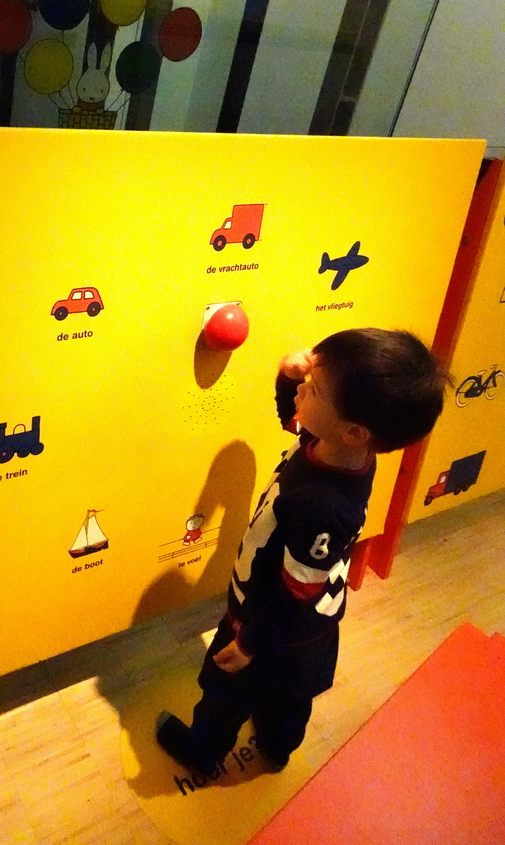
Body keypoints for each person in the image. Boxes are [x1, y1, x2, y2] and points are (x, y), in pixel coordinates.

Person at [156, 328, 448, 773]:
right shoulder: (340, 450)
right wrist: (288, 380)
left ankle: (202, 753)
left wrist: (248, 641)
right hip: (309, 633)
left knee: (223, 691)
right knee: (288, 700)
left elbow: (294, 594)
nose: (302, 389)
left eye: (313, 388)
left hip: (269, 625)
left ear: (353, 431)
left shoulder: (322, 503)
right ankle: (277, 747)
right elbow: (296, 419)